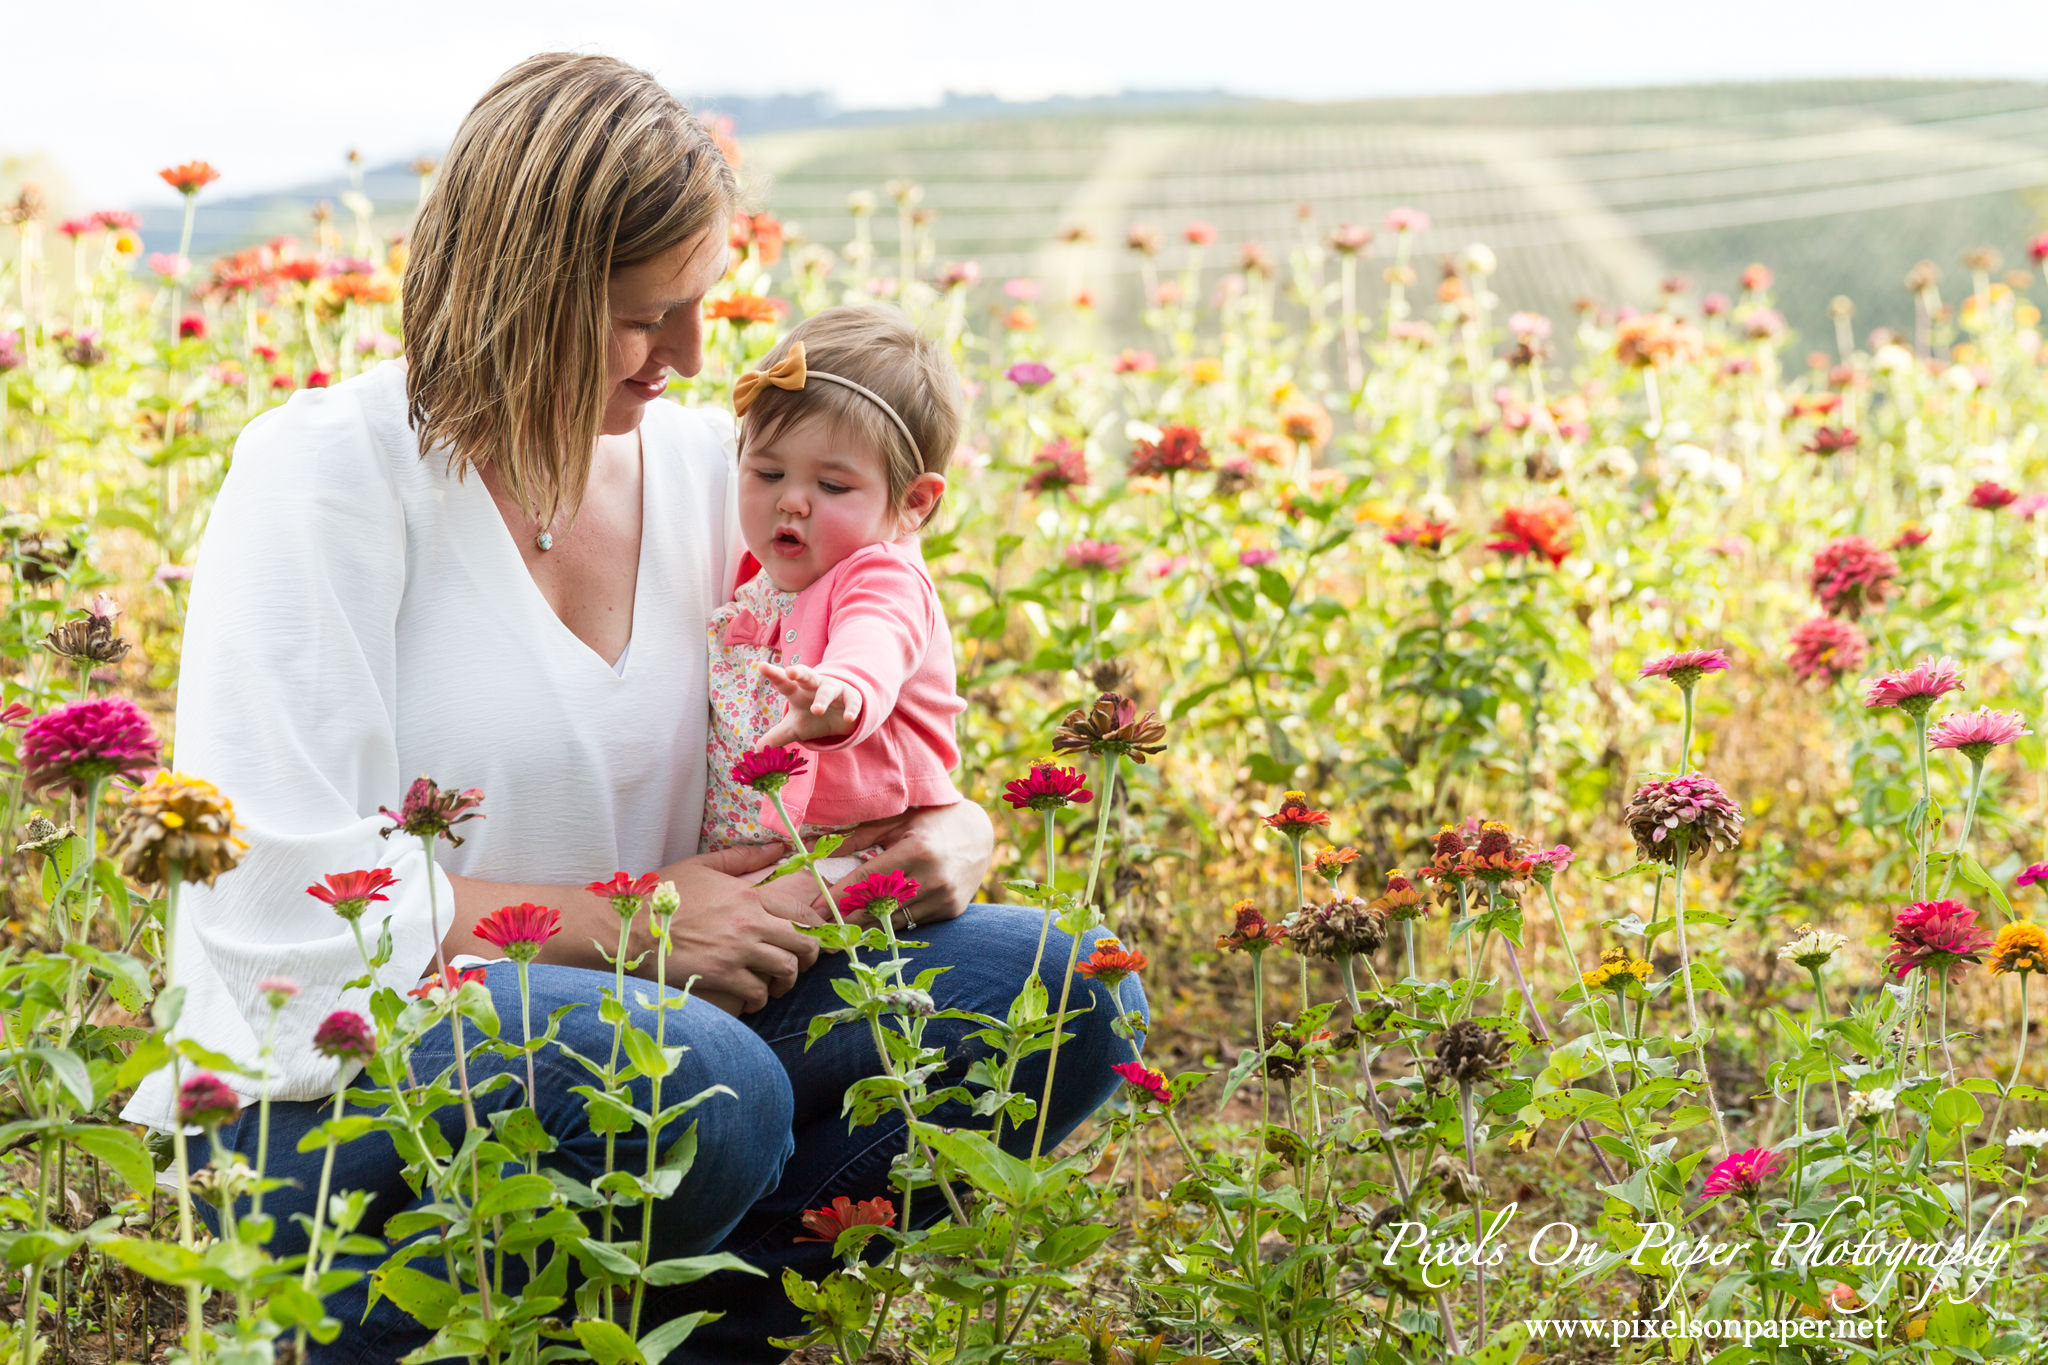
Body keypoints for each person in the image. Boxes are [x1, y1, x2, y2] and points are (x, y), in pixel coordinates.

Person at [123, 52, 1142, 1364]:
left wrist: (946, 834)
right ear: (521, 288)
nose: (694, 354)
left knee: (1053, 981)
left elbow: (863, 659)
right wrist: (634, 926)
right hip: (355, 1079)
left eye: (703, 304)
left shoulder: (711, 469)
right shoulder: (328, 476)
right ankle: (389, 1325)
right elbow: (265, 894)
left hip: (676, 1019)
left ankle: (687, 1330)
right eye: (647, 314)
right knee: (706, 1084)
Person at [704, 306, 966, 888]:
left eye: (831, 486)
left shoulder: (881, 575)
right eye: (767, 473)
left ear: (913, 502)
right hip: (763, 853)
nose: (791, 501)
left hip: (851, 858)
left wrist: (843, 690)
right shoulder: (765, 572)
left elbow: (875, 639)